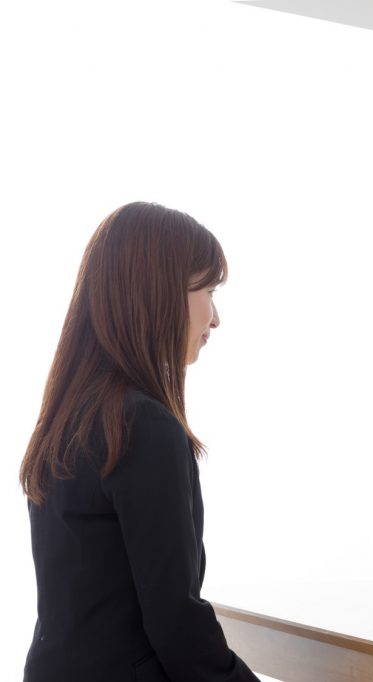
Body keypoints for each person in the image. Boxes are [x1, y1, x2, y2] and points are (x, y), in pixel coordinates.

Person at [20, 203, 259, 681]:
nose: (215, 319)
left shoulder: (69, 421)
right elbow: (178, 627)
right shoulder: (142, 427)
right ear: (161, 293)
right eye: (209, 291)